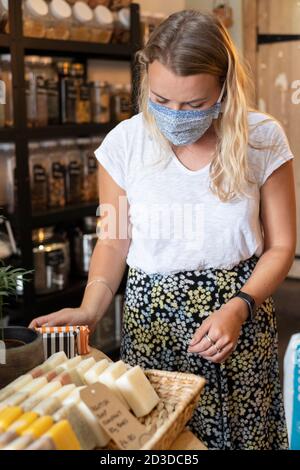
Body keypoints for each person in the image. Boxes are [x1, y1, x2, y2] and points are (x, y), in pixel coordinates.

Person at [30, 10, 297, 450]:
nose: (175, 116)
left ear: (224, 89)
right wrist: (90, 309)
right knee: (160, 445)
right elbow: (114, 239)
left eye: (193, 105)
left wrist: (240, 306)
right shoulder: (124, 145)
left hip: (242, 320)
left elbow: (282, 244)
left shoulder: (262, 138)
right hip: (152, 327)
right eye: (161, 100)